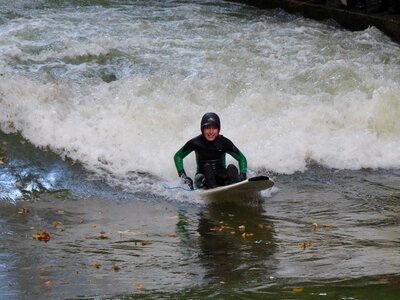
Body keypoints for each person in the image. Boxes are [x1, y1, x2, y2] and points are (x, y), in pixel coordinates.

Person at [174, 112, 247, 190]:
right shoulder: (195, 142)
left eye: (214, 128)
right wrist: (183, 176)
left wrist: (243, 174)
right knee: (207, 167)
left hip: (220, 175)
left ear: (218, 129)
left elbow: (241, 158)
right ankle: (213, 188)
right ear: (202, 129)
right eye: (207, 128)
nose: (211, 132)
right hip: (202, 177)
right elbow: (178, 156)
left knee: (232, 168)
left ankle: (234, 188)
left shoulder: (224, 142)